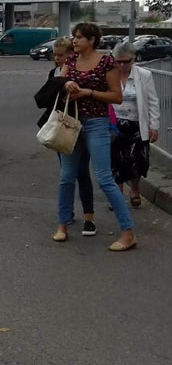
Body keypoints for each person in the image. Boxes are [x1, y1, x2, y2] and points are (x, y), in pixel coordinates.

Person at [53, 22, 136, 251]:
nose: (75, 40)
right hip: (71, 123)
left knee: (104, 178)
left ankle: (128, 232)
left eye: (79, 37)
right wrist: (67, 84)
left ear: (91, 40)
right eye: (74, 36)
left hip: (97, 124)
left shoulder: (106, 62)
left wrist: (87, 92)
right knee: (66, 176)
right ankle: (62, 225)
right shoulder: (70, 61)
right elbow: (57, 86)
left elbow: (116, 96)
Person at [35, 37, 96, 236]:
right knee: (66, 173)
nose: (57, 58)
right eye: (55, 55)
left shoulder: (80, 70)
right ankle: (67, 212)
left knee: (82, 171)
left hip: (79, 125)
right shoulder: (54, 73)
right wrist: (59, 84)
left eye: (61, 55)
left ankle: (89, 216)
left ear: (71, 55)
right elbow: (43, 99)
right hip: (61, 126)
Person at [109, 42, 161, 207]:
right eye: (118, 61)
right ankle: (118, 193)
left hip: (137, 123)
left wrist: (154, 126)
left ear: (133, 59)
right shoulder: (109, 74)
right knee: (116, 159)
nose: (122, 65)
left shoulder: (144, 75)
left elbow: (153, 101)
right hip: (114, 124)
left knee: (138, 159)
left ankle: (135, 188)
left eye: (126, 61)